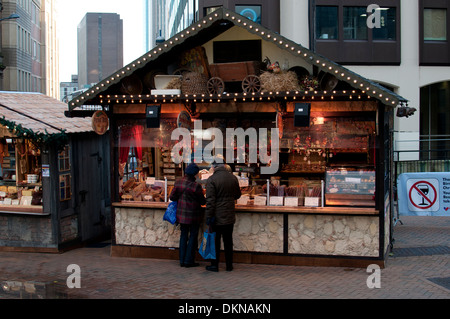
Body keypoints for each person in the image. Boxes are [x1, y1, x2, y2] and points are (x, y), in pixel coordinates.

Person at [205, 161, 241, 272]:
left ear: (213, 167)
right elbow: (237, 195)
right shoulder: (233, 178)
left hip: (216, 216)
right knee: (228, 241)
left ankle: (214, 265)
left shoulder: (211, 180)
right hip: (229, 214)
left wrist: (208, 216)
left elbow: (210, 201)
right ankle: (229, 265)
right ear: (224, 166)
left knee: (215, 242)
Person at [169, 163, 206, 268]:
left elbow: (172, 197)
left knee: (183, 236)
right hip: (194, 216)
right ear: (194, 174)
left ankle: (182, 260)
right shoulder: (196, 186)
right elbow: (202, 201)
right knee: (193, 236)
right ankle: (189, 260)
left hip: (181, 215)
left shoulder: (178, 182)